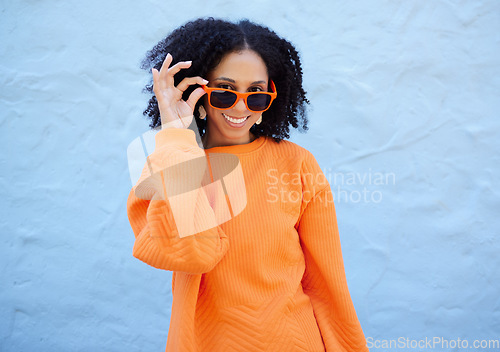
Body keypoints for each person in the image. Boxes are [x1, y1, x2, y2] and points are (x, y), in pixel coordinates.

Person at [126, 17, 369, 352]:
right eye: (224, 92)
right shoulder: (168, 165)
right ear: (195, 89)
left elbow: (328, 287)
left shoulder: (297, 164)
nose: (241, 107)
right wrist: (176, 135)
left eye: (256, 94)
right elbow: (189, 253)